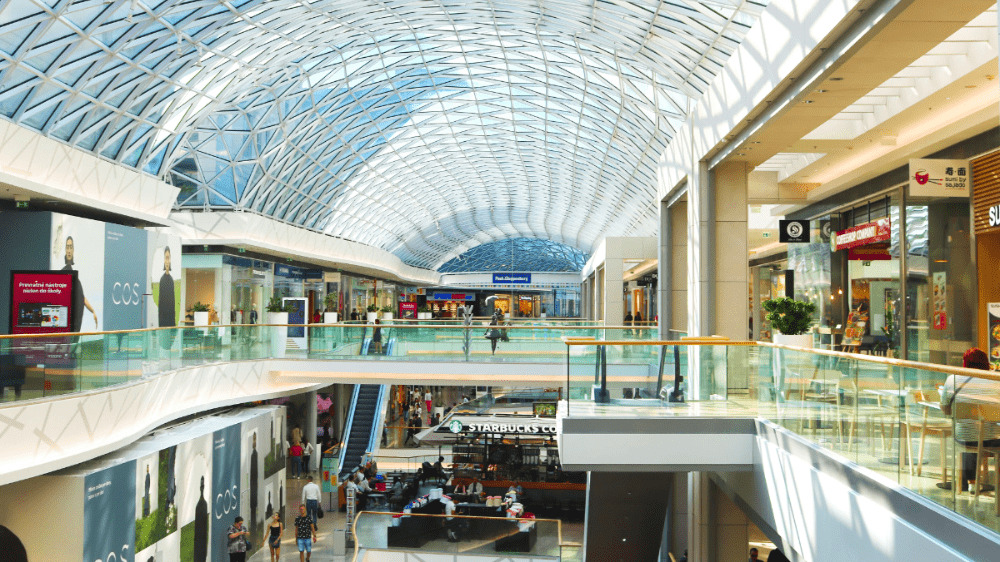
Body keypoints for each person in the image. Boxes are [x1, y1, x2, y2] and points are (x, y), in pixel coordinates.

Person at [939, 347, 1000, 492]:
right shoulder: (996, 381)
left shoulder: (953, 379)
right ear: (986, 363)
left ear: (965, 363)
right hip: (993, 438)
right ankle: (974, 482)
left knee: (970, 434)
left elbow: (946, 409)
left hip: (964, 437)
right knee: (979, 433)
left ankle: (971, 481)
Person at [61, 235, 98, 331]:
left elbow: (82, 298)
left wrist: (93, 311)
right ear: (65, 249)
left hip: (75, 323)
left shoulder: (75, 276)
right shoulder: (63, 273)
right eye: (67, 247)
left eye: (71, 247)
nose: (69, 250)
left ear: (73, 250)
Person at [157, 246, 176, 328]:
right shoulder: (162, 279)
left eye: (168, 258)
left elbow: (172, 303)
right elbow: (161, 302)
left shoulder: (171, 280)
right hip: (163, 320)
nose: (167, 261)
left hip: (170, 319)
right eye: (166, 258)